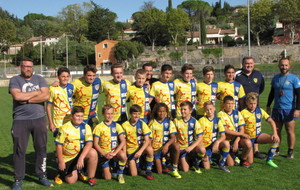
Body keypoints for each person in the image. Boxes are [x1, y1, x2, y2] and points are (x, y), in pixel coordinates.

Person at [9, 58, 53, 189]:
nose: (28, 69)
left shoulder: (39, 79)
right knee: (19, 150)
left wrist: (27, 99)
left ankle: (42, 175)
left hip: (39, 119)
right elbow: (17, 97)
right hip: (20, 120)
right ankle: (18, 180)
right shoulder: (15, 80)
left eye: (30, 67)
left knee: (41, 148)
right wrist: (37, 93)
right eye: (25, 66)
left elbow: (46, 95)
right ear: (20, 67)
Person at [55, 106, 98, 186]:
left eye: (81, 116)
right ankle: (61, 173)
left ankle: (91, 178)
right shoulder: (64, 128)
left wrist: (81, 158)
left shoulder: (86, 127)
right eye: (77, 116)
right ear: (72, 116)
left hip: (79, 155)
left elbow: (89, 144)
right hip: (67, 158)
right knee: (71, 181)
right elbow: (58, 145)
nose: (80, 118)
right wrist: (61, 161)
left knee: (93, 152)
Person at [267, 58, 300, 158]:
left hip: (289, 109)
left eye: (286, 65)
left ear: (289, 66)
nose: (284, 67)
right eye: (282, 65)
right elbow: (272, 93)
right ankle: (276, 149)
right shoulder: (275, 78)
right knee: (277, 130)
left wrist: (298, 109)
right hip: (277, 108)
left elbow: (299, 95)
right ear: (279, 66)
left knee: (289, 130)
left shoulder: (294, 79)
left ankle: (290, 151)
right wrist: (268, 105)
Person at [235, 56, 265, 159]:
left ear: (254, 64)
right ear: (242, 64)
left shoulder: (258, 74)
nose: (249, 65)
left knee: (255, 127)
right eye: (247, 63)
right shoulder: (237, 75)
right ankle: (240, 148)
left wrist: (253, 100)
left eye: (251, 63)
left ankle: (256, 150)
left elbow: (261, 88)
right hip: (242, 107)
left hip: (254, 106)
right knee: (242, 127)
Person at [241, 93, 280, 167]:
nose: (253, 106)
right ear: (246, 103)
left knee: (276, 139)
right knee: (250, 161)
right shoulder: (243, 113)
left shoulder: (260, 111)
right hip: (248, 138)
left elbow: (271, 121)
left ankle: (269, 160)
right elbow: (239, 128)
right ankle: (241, 155)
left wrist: (275, 133)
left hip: (258, 136)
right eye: (250, 104)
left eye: (254, 103)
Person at [93, 104, 127, 183]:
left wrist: (115, 153)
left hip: (115, 153)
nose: (110, 116)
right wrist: (104, 154)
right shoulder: (98, 127)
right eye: (107, 114)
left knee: (123, 155)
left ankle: (120, 174)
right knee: (107, 178)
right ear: (103, 114)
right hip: (104, 154)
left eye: (111, 113)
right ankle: (104, 167)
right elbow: (95, 144)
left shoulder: (117, 125)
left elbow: (123, 141)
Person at [217, 96, 252, 168]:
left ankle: (243, 161)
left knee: (248, 143)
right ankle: (223, 153)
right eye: (228, 103)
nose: (230, 106)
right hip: (226, 140)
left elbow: (242, 129)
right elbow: (226, 130)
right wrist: (241, 134)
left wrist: (236, 140)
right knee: (230, 164)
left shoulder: (238, 113)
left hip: (236, 139)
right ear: (223, 104)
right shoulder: (220, 114)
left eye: (232, 103)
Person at [121, 105, 154, 180]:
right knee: (134, 174)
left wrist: (140, 151)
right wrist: (125, 154)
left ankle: (148, 171)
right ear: (130, 114)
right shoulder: (124, 125)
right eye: (135, 114)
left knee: (150, 149)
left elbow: (147, 140)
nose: (137, 116)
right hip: (131, 151)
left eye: (138, 114)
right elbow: (123, 142)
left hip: (140, 150)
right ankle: (133, 167)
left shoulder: (142, 124)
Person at [148, 103, 181, 178]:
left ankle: (174, 169)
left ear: (166, 112)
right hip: (156, 149)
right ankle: (160, 162)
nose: (162, 113)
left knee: (176, 146)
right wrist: (150, 151)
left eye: (163, 111)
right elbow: (149, 138)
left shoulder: (169, 122)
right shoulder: (152, 122)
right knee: (159, 172)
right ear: (156, 112)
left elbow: (173, 137)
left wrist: (166, 145)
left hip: (165, 148)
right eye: (160, 111)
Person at [173, 101, 206, 173]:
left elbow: (200, 137)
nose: (182, 111)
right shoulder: (176, 120)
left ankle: (196, 164)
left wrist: (191, 147)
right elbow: (173, 135)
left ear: (190, 111)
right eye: (181, 109)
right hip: (181, 148)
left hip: (190, 146)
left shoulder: (194, 121)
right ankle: (184, 159)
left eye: (185, 109)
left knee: (202, 150)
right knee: (185, 170)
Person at [199, 101, 230, 173]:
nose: (209, 111)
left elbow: (223, 136)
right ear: (204, 111)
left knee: (226, 143)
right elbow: (198, 137)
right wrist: (202, 149)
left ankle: (221, 164)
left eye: (211, 109)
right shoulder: (201, 120)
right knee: (207, 168)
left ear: (214, 109)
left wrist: (217, 142)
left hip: (213, 145)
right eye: (207, 110)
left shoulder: (218, 120)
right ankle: (202, 157)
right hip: (204, 146)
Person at [71, 65, 102, 129]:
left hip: (93, 116)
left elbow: (109, 85)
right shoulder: (76, 83)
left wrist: (120, 81)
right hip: (80, 117)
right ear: (84, 75)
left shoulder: (97, 82)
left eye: (94, 75)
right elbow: (64, 91)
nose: (92, 78)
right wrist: (57, 84)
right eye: (89, 75)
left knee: (95, 137)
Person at [46, 67, 74, 137]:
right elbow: (48, 107)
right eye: (63, 76)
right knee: (59, 145)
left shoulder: (72, 87)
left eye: (67, 76)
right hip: (58, 123)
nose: (65, 78)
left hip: (70, 121)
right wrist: (51, 123)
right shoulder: (52, 89)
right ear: (58, 77)